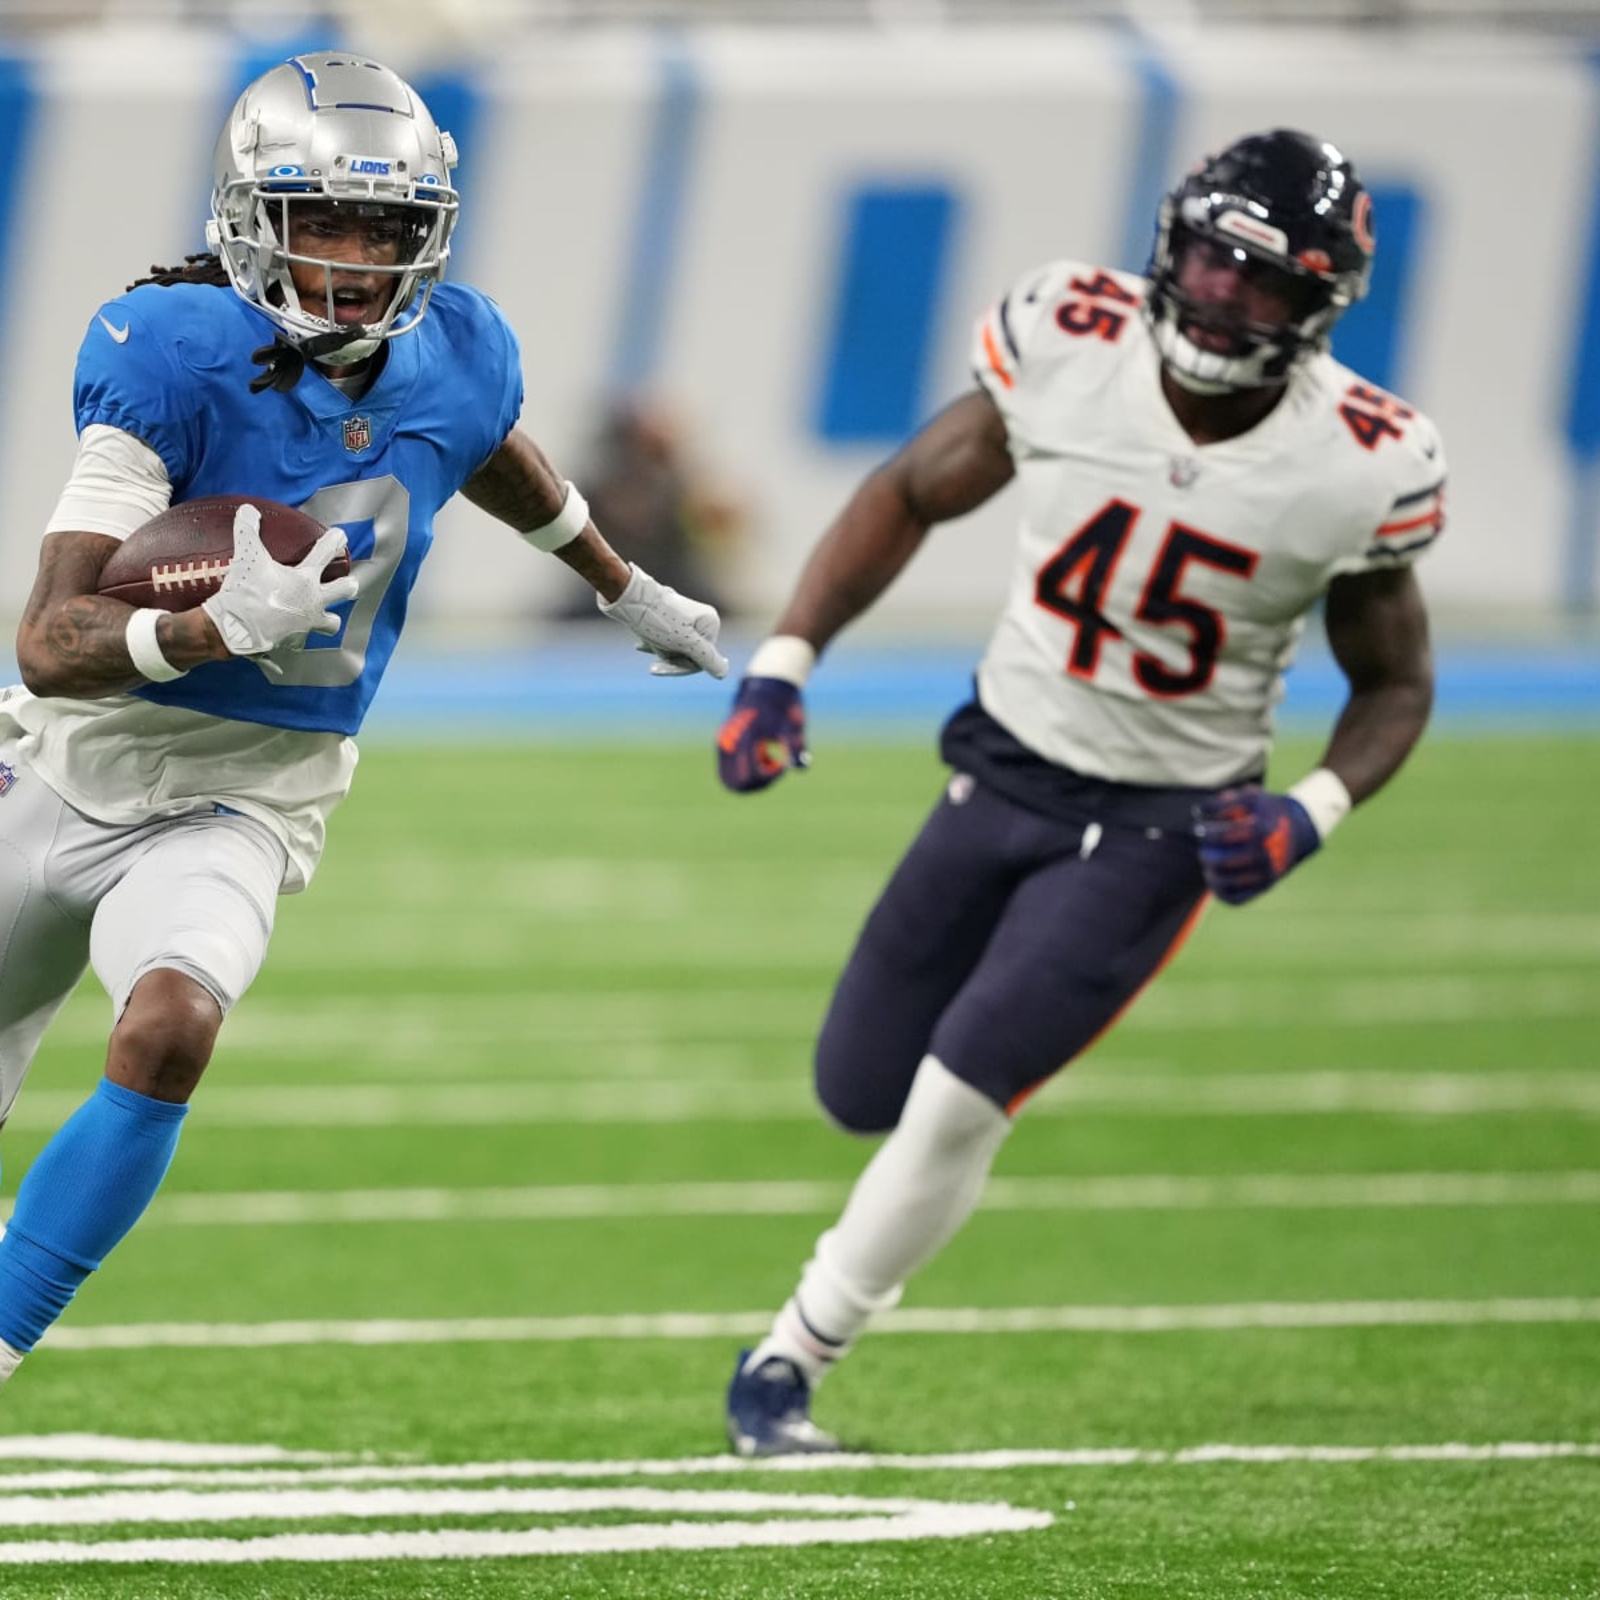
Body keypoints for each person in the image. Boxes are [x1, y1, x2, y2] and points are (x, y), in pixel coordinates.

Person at [0, 50, 727, 1391]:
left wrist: (624, 586)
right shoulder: (169, 347)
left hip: (247, 792)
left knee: (171, 1024)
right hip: (60, 764)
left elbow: (489, 442)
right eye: (321, 220)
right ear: (249, 219)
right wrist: (214, 627)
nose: (354, 258)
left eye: (384, 229)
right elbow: (48, 643)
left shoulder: (458, 346)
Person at [714, 129, 1441, 1455]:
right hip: (999, 767)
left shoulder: (1361, 461)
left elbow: (1393, 685)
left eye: (1262, 281)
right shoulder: (1069, 336)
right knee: (859, 1087)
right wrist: (782, 663)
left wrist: (1311, 808)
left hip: (1168, 825)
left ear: (1321, 302)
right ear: (1170, 241)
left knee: (957, 1095)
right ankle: (798, 1347)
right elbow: (908, 490)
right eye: (1210, 258)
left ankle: (785, 1366)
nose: (1222, 295)